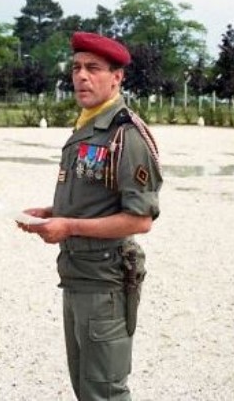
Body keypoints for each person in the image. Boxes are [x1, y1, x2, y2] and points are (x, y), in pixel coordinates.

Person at [17, 31, 163, 400]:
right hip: (77, 275)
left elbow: (139, 219)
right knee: (85, 388)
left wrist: (68, 226)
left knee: (105, 392)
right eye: (77, 68)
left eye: (93, 68)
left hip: (105, 282)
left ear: (117, 77)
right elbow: (97, 197)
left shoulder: (125, 135)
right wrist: (50, 214)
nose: (81, 76)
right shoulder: (88, 127)